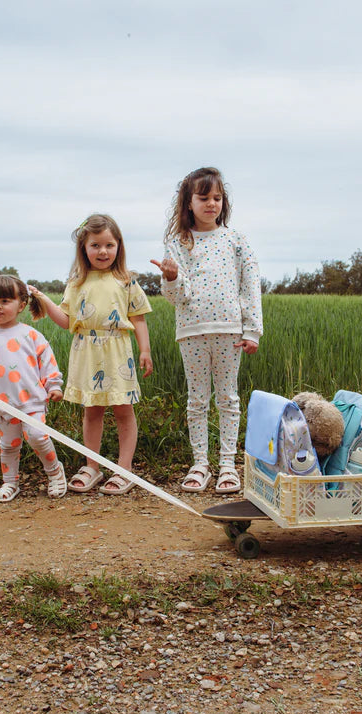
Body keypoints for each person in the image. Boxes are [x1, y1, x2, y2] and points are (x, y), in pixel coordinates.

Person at [151, 167, 263, 494]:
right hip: (192, 331)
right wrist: (170, 277)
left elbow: (250, 284)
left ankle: (228, 464)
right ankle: (200, 463)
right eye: (204, 198)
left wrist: (252, 330)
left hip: (230, 330)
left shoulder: (236, 240)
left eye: (217, 197)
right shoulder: (177, 243)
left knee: (228, 399)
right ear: (188, 203)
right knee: (197, 399)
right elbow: (176, 297)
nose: (211, 203)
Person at [29, 213, 153, 495]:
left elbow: (139, 318)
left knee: (124, 410)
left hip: (118, 351)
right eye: (95, 245)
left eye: (109, 245)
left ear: (118, 246)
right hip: (86, 352)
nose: (103, 251)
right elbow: (67, 321)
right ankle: (92, 466)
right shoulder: (77, 282)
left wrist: (145, 350)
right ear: (84, 248)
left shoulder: (126, 280)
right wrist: (45, 300)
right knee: (92, 411)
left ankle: (124, 469)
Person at [0, 274, 66, 502]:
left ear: (22, 305)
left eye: (5, 301)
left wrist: (54, 385)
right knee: (8, 445)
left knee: (37, 436)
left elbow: (47, 363)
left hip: (32, 400)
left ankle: (55, 472)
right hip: (1, 402)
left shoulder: (31, 335)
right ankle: (10, 482)